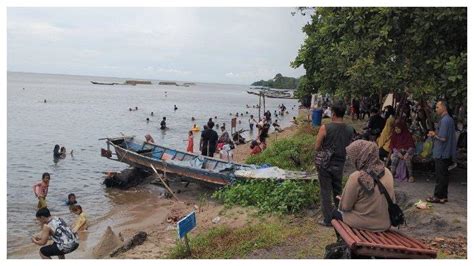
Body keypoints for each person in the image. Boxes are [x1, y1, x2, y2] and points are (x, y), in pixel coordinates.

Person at [335, 140, 395, 232]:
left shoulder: (356, 177)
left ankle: (343, 242)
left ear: (359, 157)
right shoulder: (387, 171)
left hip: (366, 224)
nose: (352, 160)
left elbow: (345, 207)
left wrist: (342, 199)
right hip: (385, 223)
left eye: (352, 157)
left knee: (334, 213)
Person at [314, 101, 354, 226]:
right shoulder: (349, 129)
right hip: (340, 163)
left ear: (334, 113)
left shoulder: (325, 127)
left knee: (325, 191)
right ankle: (340, 216)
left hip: (325, 164)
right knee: (338, 190)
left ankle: (328, 219)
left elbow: (317, 146)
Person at [426, 101, 457, 204]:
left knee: (440, 176)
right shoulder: (450, 120)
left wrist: (434, 135)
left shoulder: (445, 120)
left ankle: (437, 196)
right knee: (444, 175)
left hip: (441, 152)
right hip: (446, 152)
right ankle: (443, 196)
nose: (436, 109)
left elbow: (443, 138)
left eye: (437, 107)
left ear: (444, 107)